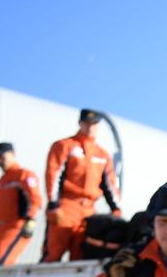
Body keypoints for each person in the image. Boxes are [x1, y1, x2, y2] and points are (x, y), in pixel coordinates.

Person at [42, 109, 121, 262]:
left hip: (89, 212)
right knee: (53, 252)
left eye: (94, 124)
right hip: (66, 207)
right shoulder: (64, 146)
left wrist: (116, 209)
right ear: (80, 123)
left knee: (81, 256)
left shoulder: (102, 155)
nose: (90, 127)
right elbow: (53, 174)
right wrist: (53, 204)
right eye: (87, 123)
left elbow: (110, 184)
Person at [0, 142, 42, 266]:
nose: (0, 161)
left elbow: (35, 199)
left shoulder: (23, 175)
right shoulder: (1, 181)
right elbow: (1, 209)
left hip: (15, 226)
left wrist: (31, 220)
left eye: (2, 157)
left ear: (13, 155)